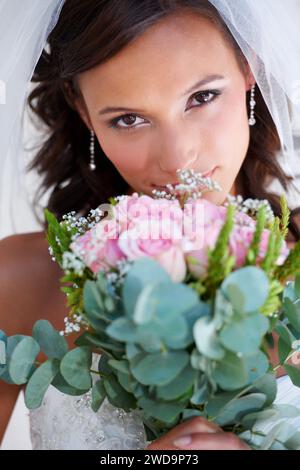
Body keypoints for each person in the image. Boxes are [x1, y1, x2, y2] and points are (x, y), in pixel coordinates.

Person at [1, 0, 300, 450]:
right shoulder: (21, 279)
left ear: (248, 67)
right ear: (85, 114)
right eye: (129, 119)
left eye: (202, 97)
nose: (178, 159)